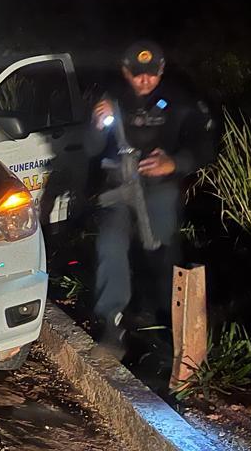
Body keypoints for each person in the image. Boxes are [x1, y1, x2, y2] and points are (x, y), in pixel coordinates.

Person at [86, 40, 217, 357]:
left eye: (150, 74)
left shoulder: (179, 98)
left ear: (160, 70)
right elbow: (90, 149)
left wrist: (175, 163)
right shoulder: (109, 97)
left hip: (159, 187)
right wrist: (95, 125)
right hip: (117, 185)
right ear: (125, 70)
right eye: (136, 74)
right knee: (111, 245)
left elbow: (206, 146)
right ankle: (111, 324)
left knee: (161, 250)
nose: (144, 81)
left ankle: (165, 323)